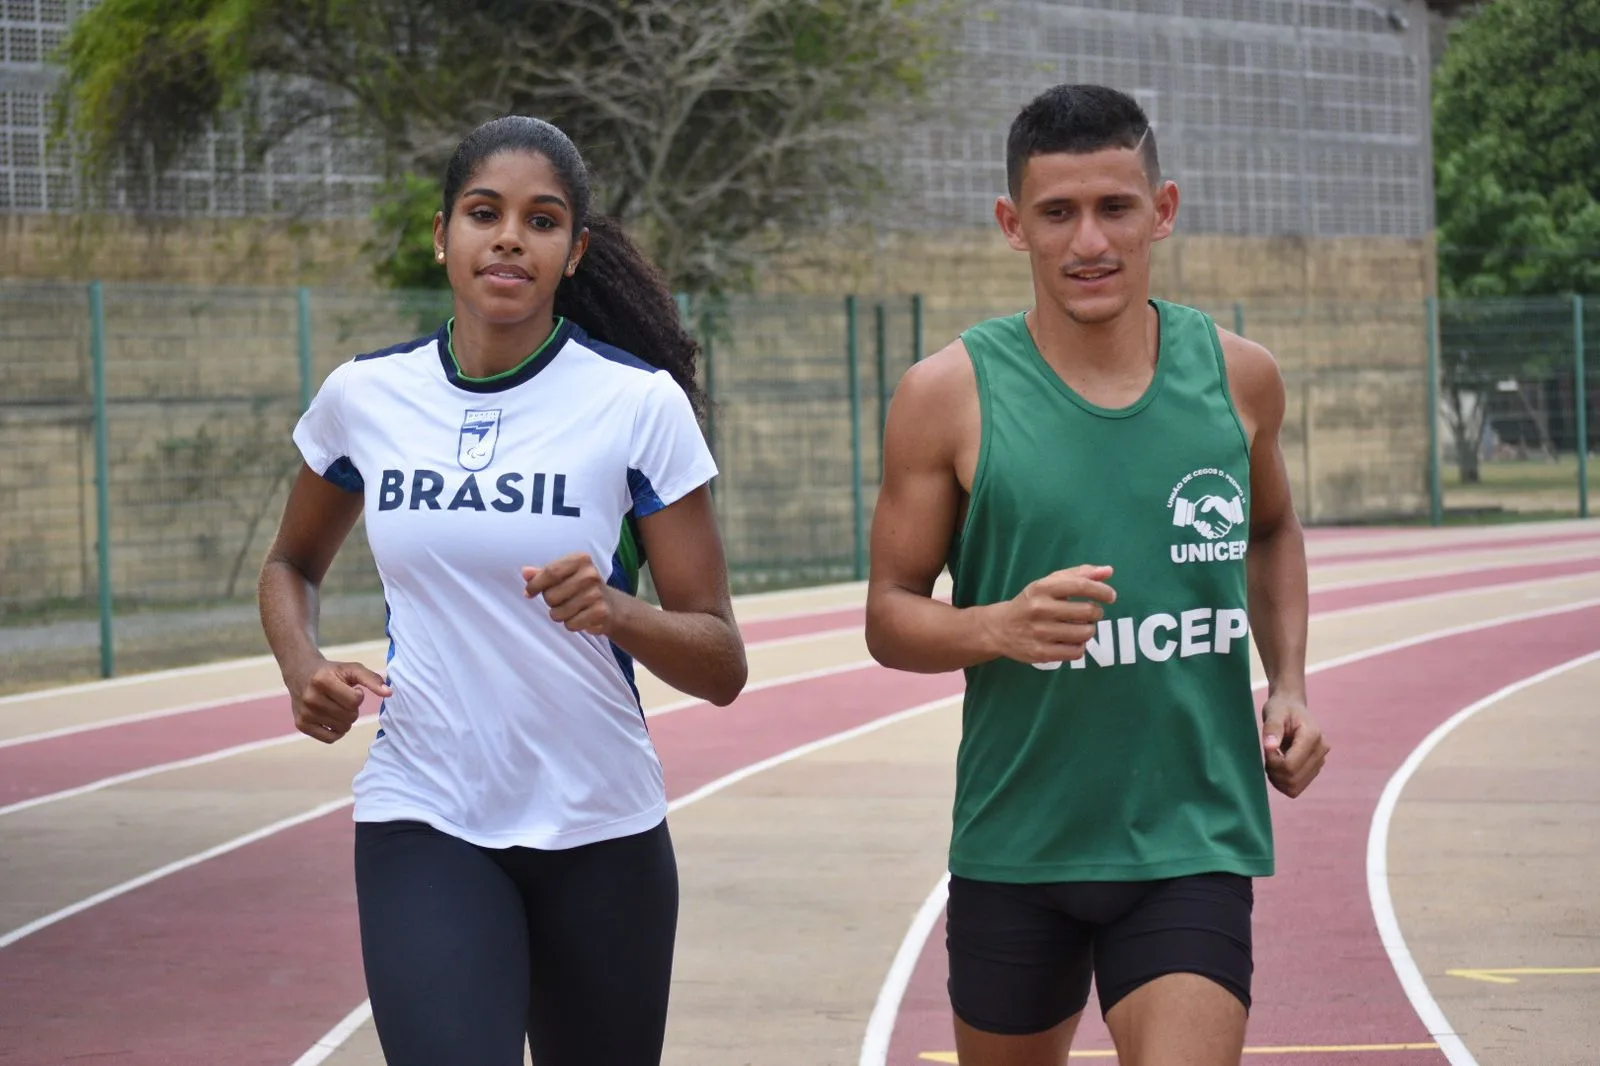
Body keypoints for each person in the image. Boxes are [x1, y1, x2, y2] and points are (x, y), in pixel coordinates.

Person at [257, 115, 747, 1066]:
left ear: (576, 252)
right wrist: (301, 664)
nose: (511, 237)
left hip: (602, 825)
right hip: (426, 809)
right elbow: (290, 566)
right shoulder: (369, 395)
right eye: (485, 213)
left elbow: (721, 661)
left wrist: (618, 609)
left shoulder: (637, 405)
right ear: (443, 234)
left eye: (543, 220)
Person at [864, 84, 1330, 1066]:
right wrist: (994, 628)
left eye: (1115, 208)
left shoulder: (1238, 377)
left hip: (1189, 839)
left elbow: (1273, 530)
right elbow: (888, 617)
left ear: (1161, 209)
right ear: (1011, 224)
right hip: (1018, 844)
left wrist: (1287, 683)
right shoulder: (945, 394)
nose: (1089, 241)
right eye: (1057, 213)